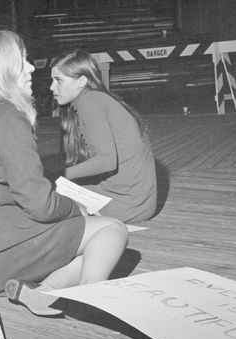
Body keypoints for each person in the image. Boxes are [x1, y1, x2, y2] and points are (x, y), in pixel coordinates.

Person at [0, 31, 128, 317]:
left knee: (87, 249)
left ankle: (43, 293)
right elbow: (40, 205)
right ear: (1, 71)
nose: (32, 67)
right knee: (111, 230)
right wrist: (76, 209)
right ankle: (94, 299)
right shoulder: (7, 116)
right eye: (22, 61)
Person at [51, 49, 157, 223]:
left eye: (58, 81)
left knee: (37, 195)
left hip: (125, 205)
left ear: (82, 81)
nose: (52, 87)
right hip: (140, 204)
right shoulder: (97, 98)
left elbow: (107, 160)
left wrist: (57, 175)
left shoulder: (89, 101)